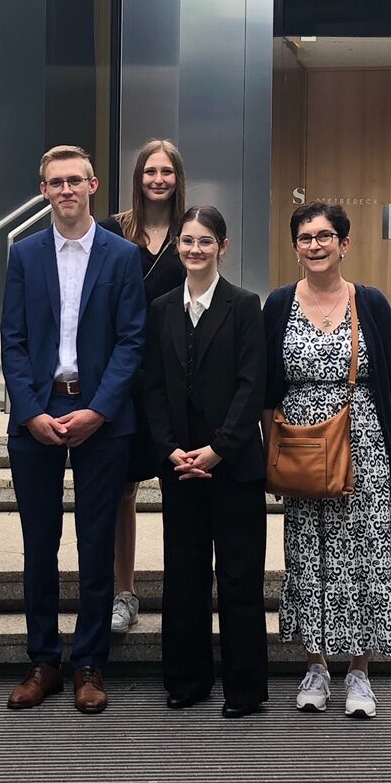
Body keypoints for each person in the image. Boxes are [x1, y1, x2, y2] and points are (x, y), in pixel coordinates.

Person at [0, 145, 147, 714]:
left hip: (100, 416)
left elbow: (133, 340)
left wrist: (100, 410)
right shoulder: (24, 253)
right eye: (55, 182)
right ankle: (44, 661)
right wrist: (30, 410)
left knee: (95, 543)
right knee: (39, 543)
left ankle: (89, 662)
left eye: (74, 181)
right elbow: (11, 338)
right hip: (36, 410)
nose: (65, 190)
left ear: (93, 185)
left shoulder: (121, 256)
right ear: (44, 191)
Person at [264, 202, 391, 721]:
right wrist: (272, 451)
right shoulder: (279, 303)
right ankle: (316, 667)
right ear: (295, 248)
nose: (316, 245)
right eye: (305, 237)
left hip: (364, 440)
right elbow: (266, 387)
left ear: (344, 244)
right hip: (303, 444)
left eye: (326, 236)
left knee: (366, 553)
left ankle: (360, 672)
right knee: (309, 554)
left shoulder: (368, 302)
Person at [141, 206, 268, 717]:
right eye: (187, 241)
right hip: (180, 466)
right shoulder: (162, 308)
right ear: (178, 247)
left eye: (205, 241)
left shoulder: (244, 305)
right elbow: (150, 387)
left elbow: (250, 385)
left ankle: (244, 688)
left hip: (232, 465)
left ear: (223, 246)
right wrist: (170, 448)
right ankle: (187, 680)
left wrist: (218, 450)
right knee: (184, 575)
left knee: (239, 578)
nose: (195, 250)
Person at [101, 139, 187, 636]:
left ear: (178, 178)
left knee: (180, 486)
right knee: (123, 491)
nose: (158, 179)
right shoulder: (114, 229)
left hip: (178, 374)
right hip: (128, 374)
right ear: (138, 176)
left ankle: (183, 586)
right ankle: (124, 590)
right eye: (149, 170)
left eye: (166, 171)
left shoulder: (188, 230)